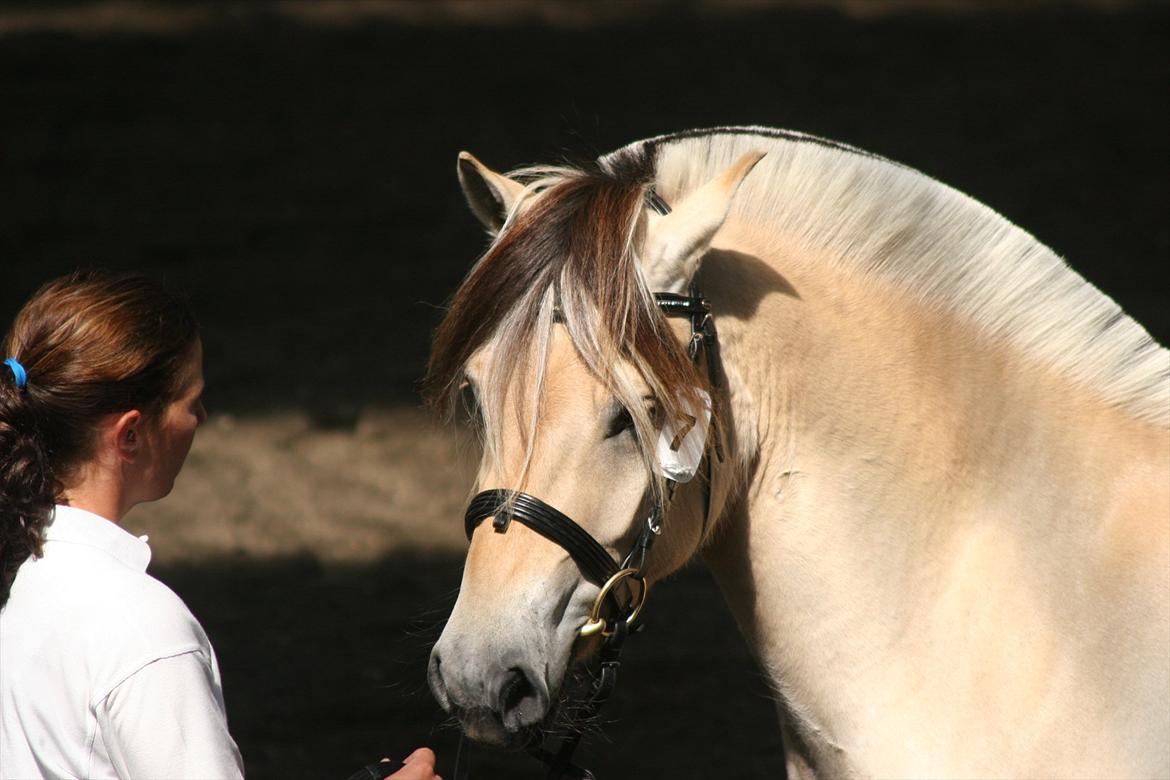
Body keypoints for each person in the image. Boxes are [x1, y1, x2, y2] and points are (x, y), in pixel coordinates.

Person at [0, 270, 439, 780]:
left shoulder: (26, 585)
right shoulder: (142, 630)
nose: (202, 417)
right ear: (131, 435)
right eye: (191, 401)